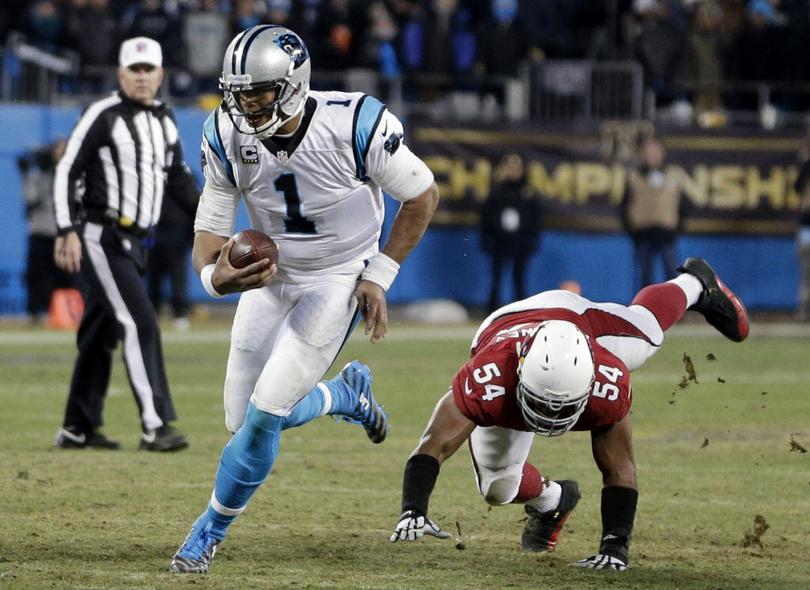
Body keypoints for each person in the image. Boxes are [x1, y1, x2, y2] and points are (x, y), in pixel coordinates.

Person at [168, 25, 439, 574]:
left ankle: (207, 533)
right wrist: (212, 279)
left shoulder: (352, 123)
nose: (245, 103)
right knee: (240, 417)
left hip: (335, 276)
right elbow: (211, 226)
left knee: (265, 415)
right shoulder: (225, 132)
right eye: (237, 92)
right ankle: (343, 397)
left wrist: (379, 274)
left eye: (259, 91)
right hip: (269, 277)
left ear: (293, 84)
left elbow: (422, 194)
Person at [389, 257, 749, 571]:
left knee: (647, 333)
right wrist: (413, 509)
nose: (549, 415)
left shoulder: (608, 379)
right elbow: (433, 444)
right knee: (498, 488)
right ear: (520, 375)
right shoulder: (491, 375)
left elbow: (619, 467)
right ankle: (555, 501)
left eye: (560, 406)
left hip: (584, 323)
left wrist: (614, 548)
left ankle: (693, 283)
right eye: (542, 402)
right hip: (508, 324)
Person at [52, 37, 200, 452]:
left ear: (160, 75)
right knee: (141, 322)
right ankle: (155, 424)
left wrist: (210, 219)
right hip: (103, 236)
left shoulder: (165, 121)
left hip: (138, 244)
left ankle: (77, 427)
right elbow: (68, 168)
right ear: (120, 74)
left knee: (100, 333)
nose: (141, 76)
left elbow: (179, 180)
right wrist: (66, 228)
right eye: (133, 69)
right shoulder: (103, 115)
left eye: (147, 68)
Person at [18, 138, 80, 325]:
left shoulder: (72, 174)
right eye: (57, 149)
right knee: (37, 275)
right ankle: (38, 313)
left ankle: (68, 312)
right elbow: (30, 198)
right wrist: (26, 174)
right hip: (40, 232)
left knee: (67, 275)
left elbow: (77, 199)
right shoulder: (38, 175)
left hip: (63, 232)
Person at [621, 136, 687, 290]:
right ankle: (643, 311)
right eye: (649, 152)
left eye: (656, 151)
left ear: (663, 153)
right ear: (642, 154)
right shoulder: (633, 176)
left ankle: (673, 311)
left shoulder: (674, 174)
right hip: (643, 233)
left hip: (666, 233)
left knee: (672, 276)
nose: (652, 155)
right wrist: (631, 228)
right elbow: (624, 205)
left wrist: (677, 228)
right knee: (644, 276)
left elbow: (684, 203)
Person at [480, 153, 541, 312]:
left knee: (519, 278)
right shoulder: (497, 191)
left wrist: (532, 239)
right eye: (510, 168)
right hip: (500, 240)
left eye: (516, 168)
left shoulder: (528, 193)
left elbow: (535, 217)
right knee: (496, 277)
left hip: (520, 241)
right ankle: (491, 312)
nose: (513, 171)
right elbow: (486, 216)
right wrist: (487, 237)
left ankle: (520, 313)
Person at [147, 191, 198, 331]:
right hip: (155, 233)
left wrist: (191, 236)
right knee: (153, 277)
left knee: (178, 277)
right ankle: (152, 313)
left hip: (177, 234)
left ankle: (180, 313)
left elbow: (195, 205)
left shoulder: (182, 174)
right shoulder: (149, 170)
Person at [794, 139, 810, 322]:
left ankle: (804, 311)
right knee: (805, 276)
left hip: (806, 229)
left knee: (806, 277)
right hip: (806, 229)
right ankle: (804, 311)